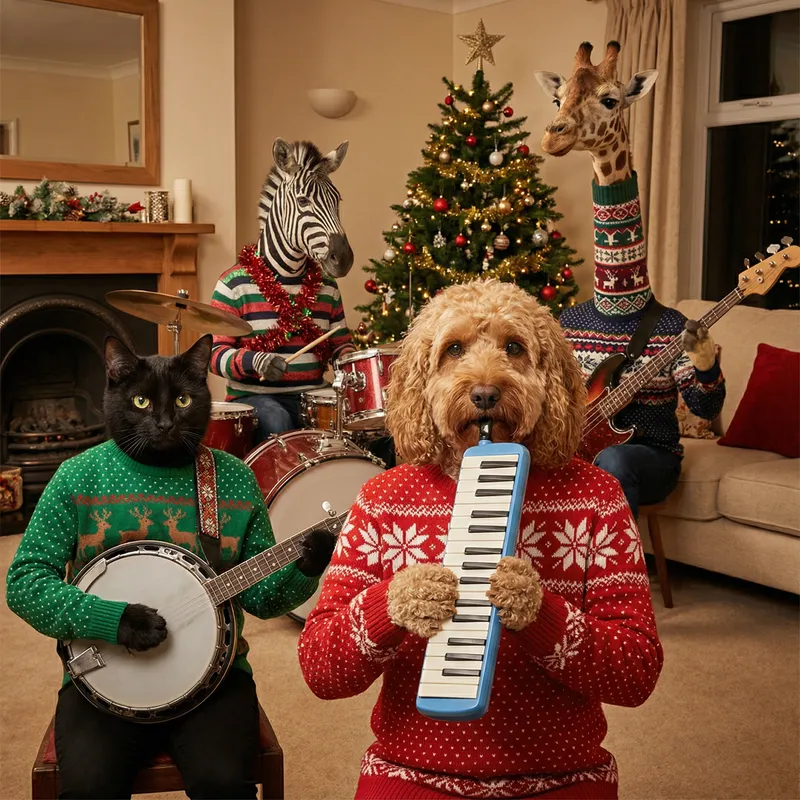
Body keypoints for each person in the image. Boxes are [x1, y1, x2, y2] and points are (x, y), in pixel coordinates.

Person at [299, 280, 663, 799]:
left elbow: (637, 674)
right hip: (410, 773)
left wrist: (543, 615)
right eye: (455, 350)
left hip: (563, 776)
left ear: (552, 380)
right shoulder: (385, 498)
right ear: (422, 381)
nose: (485, 381)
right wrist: (389, 606)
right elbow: (320, 670)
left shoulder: (595, 497)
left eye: (513, 349)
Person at [6, 335, 335, 799]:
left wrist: (306, 568)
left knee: (223, 783)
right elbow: (23, 582)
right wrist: (111, 619)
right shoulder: (79, 476)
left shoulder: (232, 479)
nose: (162, 420)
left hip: (215, 682)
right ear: (115, 387)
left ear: (201, 393)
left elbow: (260, 599)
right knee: (89, 788)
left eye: (181, 400)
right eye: (142, 402)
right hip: (102, 679)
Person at [535, 41, 726, 518]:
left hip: (649, 456)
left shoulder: (669, 327)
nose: (561, 118)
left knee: (614, 459)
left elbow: (704, 411)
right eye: (560, 105)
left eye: (602, 102)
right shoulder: (570, 322)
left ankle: (615, 584)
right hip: (583, 449)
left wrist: (704, 366)